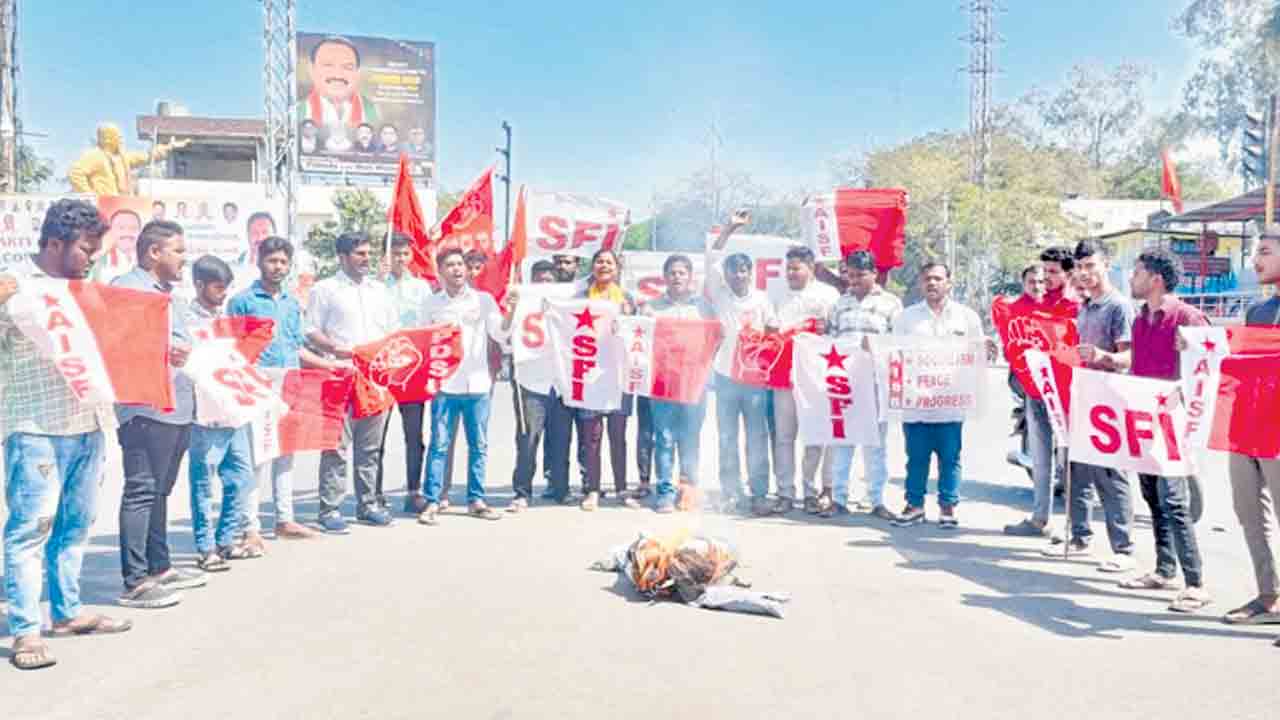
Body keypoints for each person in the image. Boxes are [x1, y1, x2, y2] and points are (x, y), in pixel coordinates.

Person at [0, 200, 132, 671]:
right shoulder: (13, 285)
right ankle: (24, 631)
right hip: (35, 425)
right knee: (29, 530)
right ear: (55, 243)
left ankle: (67, 612)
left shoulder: (86, 290)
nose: (91, 258)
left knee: (74, 526)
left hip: (88, 422)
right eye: (84, 249)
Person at [112, 220, 205, 608]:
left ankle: (159, 566)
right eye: (178, 251)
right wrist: (165, 351)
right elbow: (118, 345)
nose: (184, 259)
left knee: (160, 491)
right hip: (145, 407)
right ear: (154, 253)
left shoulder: (171, 295)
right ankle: (134, 581)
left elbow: (182, 340)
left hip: (177, 405)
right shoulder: (126, 290)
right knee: (141, 490)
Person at [1118, 247, 1211, 612]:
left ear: (1155, 279)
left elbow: (1211, 365)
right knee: (1152, 497)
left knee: (1174, 501)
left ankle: (1196, 583)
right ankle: (1164, 569)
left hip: (1175, 424)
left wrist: (1192, 350)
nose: (1131, 278)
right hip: (1145, 421)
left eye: (1137, 272)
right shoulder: (1140, 319)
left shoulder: (1188, 317)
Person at [228, 236, 333, 542]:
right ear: (259, 262)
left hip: (291, 383)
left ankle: (285, 519)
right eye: (272, 261)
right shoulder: (243, 301)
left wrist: (332, 366)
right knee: (257, 456)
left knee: (286, 453)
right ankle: (250, 527)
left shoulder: (291, 304)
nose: (278, 267)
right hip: (257, 385)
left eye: (283, 262)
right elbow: (234, 349)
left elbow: (298, 347)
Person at [1042, 239, 1137, 571]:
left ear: (1106, 265)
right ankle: (1079, 537)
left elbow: (1129, 357)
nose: (1084, 273)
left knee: (1110, 475)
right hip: (1083, 396)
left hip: (1110, 399)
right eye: (1080, 268)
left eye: (1090, 266)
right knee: (1076, 471)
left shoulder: (1118, 306)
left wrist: (1103, 357)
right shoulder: (1085, 307)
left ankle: (1123, 548)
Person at [305, 232, 399, 532]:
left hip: (374, 377)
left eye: (368, 253)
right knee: (336, 445)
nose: (366, 259)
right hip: (339, 374)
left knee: (370, 448)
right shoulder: (325, 289)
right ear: (342, 257)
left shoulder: (380, 291)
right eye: (359, 254)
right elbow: (310, 330)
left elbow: (393, 331)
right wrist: (334, 348)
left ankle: (368, 504)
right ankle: (329, 508)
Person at [417, 248, 514, 525]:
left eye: (460, 264)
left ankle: (476, 499)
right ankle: (433, 500)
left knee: (479, 445)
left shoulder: (483, 301)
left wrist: (513, 308)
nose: (457, 269)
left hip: (478, 384)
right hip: (445, 385)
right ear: (441, 271)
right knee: (439, 445)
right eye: (450, 265)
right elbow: (422, 341)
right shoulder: (430, 304)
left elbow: (501, 332)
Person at [891, 261, 984, 529]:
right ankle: (915, 505)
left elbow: (978, 354)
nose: (932, 283)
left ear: (949, 282)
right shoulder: (906, 317)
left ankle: (948, 508)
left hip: (951, 402)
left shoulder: (966, 317)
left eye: (937, 278)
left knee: (950, 457)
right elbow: (894, 355)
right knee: (916, 457)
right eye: (927, 279)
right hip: (916, 401)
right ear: (920, 283)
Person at [1222, 226, 1280, 641]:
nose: (1255, 260)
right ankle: (1268, 596)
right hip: (1248, 426)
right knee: (1247, 511)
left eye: (1264, 251)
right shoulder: (1258, 312)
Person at [184, 256, 255, 570]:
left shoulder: (227, 318)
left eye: (226, 287)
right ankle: (205, 547)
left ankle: (226, 540)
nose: (223, 293)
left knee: (240, 477)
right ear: (199, 285)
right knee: (203, 482)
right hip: (205, 412)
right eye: (217, 287)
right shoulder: (186, 320)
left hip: (234, 409)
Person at [706, 215, 776, 515]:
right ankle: (730, 492)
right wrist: (731, 228)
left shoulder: (762, 299)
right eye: (734, 270)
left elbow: (773, 330)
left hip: (754, 380)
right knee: (726, 437)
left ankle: (759, 493)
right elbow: (713, 257)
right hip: (724, 377)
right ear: (727, 274)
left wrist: (765, 342)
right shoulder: (720, 295)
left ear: (751, 273)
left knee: (757, 437)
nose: (739, 274)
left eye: (744, 269)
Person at [826, 250, 903, 521]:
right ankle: (838, 498)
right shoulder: (839, 305)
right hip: (845, 383)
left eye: (860, 275)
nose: (854, 280)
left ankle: (877, 500)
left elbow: (899, 344)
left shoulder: (891, 304)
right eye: (850, 275)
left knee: (876, 444)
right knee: (842, 440)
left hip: (876, 383)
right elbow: (829, 341)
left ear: (874, 274)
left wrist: (878, 350)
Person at [562, 249, 637, 511]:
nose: (604, 265)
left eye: (609, 262)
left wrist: (627, 318)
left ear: (617, 268)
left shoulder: (627, 299)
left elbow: (638, 332)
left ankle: (621, 489)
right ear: (592, 267)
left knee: (618, 436)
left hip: (618, 375)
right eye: (599, 261)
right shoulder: (579, 298)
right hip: (589, 373)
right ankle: (592, 490)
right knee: (591, 436)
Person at [641, 254, 716, 513]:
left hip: (695, 382)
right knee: (663, 437)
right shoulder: (651, 308)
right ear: (665, 277)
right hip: (662, 381)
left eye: (682, 272)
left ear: (690, 276)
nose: (677, 277)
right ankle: (665, 491)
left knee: (691, 437)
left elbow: (717, 337)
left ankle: (688, 490)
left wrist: (705, 367)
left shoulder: (704, 307)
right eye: (672, 273)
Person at [771, 245, 840, 514]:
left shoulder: (828, 295)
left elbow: (834, 333)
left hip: (815, 379)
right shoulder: (777, 295)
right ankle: (785, 492)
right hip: (784, 376)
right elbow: (770, 330)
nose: (790, 273)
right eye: (788, 268)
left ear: (811, 269)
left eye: (796, 268)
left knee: (815, 436)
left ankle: (811, 492)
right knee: (784, 436)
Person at [376, 233, 435, 514]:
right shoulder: (374, 287)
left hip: (412, 370)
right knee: (376, 437)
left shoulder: (422, 289)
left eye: (404, 254)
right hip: (381, 370)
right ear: (385, 256)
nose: (400, 259)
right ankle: (373, 494)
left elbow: (427, 326)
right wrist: (377, 280)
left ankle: (414, 491)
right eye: (395, 254)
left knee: (414, 435)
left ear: (411, 256)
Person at [1003, 265, 1058, 538]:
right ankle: (1040, 518)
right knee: (1041, 459)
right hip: (1032, 392)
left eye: (1041, 281)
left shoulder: (1060, 308)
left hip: (1062, 392)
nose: (1037, 286)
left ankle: (1078, 530)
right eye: (1032, 281)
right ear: (1023, 283)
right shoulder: (1013, 311)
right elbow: (1009, 349)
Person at [507, 260, 559, 512]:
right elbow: (503, 335)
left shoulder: (565, 302)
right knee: (528, 438)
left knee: (560, 438)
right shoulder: (521, 301)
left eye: (549, 279)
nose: (544, 284)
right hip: (529, 379)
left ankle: (559, 488)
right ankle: (522, 491)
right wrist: (511, 307)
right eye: (539, 279)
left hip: (560, 380)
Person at [298, 36, 379, 133]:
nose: (337, 74)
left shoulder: (373, 112)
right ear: (312, 70)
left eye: (347, 67)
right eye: (328, 65)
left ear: (358, 73)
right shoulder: (297, 112)